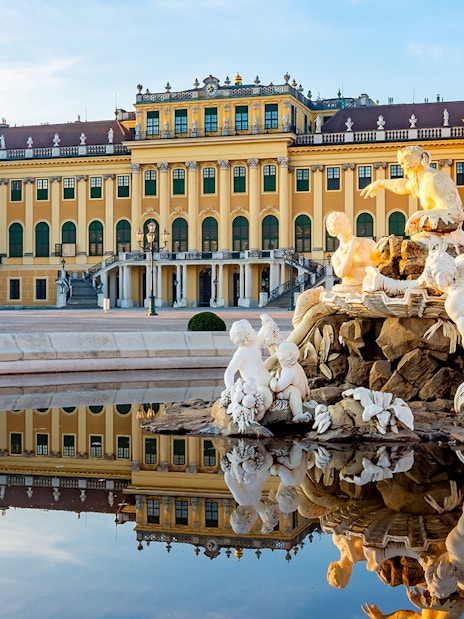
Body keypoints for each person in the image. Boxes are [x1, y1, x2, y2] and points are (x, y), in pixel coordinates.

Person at [361, 145, 464, 237]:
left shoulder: (433, 179)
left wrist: (421, 214)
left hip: (451, 236)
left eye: (404, 167)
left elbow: (457, 213)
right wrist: (380, 183)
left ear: (412, 167)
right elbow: (403, 186)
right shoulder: (420, 181)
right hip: (437, 234)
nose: (405, 172)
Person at [224, 318, 273, 411]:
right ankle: (259, 416)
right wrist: (231, 389)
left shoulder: (253, 344)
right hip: (258, 387)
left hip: (270, 381)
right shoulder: (241, 353)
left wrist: (267, 323)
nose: (254, 331)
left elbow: (262, 335)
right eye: (252, 330)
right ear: (248, 337)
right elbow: (229, 371)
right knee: (267, 397)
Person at [326, 211, 376, 293]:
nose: (347, 225)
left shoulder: (367, 243)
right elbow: (342, 273)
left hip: (370, 288)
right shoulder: (336, 256)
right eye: (342, 223)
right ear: (334, 229)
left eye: (347, 222)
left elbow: (382, 262)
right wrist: (352, 248)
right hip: (348, 289)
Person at [270, 341, 311, 422]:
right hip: (305, 394)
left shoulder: (289, 371)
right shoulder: (297, 365)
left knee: (292, 390)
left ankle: (297, 414)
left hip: (298, 397)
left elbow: (276, 388)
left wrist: (273, 380)